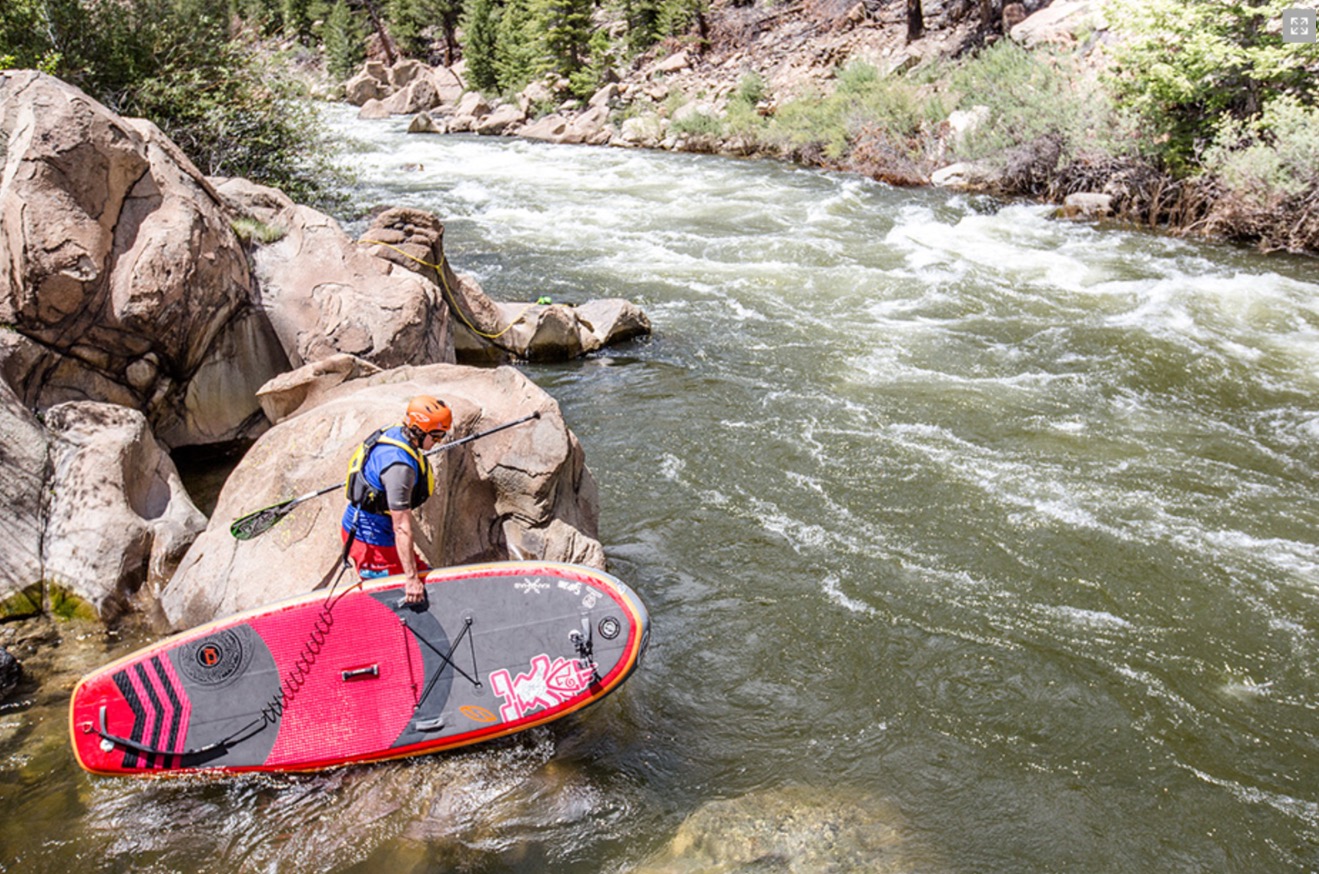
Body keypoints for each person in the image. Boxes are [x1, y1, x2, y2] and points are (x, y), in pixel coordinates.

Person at [342, 395, 452, 603]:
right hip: (370, 541)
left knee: (430, 582)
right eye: (436, 436)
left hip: (378, 530)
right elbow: (401, 527)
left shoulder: (397, 433)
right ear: (419, 430)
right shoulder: (399, 469)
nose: (438, 442)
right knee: (399, 597)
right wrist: (410, 579)